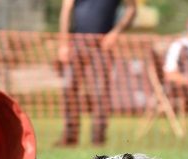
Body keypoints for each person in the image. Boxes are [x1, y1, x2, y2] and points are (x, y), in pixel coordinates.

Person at [57, 0, 137, 146]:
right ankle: (69, 139)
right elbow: (66, 9)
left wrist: (115, 33)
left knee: (101, 93)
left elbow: (132, 9)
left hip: (103, 45)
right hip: (76, 42)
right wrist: (63, 43)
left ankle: (98, 140)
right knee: (69, 90)